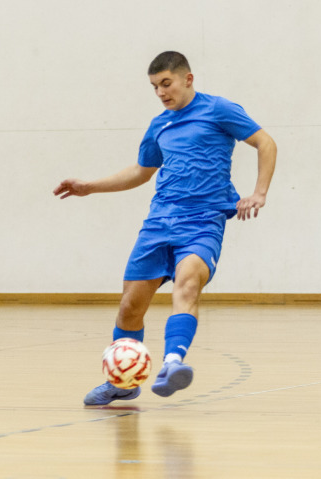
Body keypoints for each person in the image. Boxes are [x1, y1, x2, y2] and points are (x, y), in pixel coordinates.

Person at [54, 51, 277, 405]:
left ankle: (173, 364)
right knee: (130, 307)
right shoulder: (159, 124)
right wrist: (89, 186)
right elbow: (142, 172)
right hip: (158, 223)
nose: (161, 92)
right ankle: (122, 384)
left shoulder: (218, 110)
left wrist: (259, 193)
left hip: (203, 221)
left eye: (166, 83)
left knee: (187, 285)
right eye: (155, 86)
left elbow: (265, 142)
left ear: (188, 79)